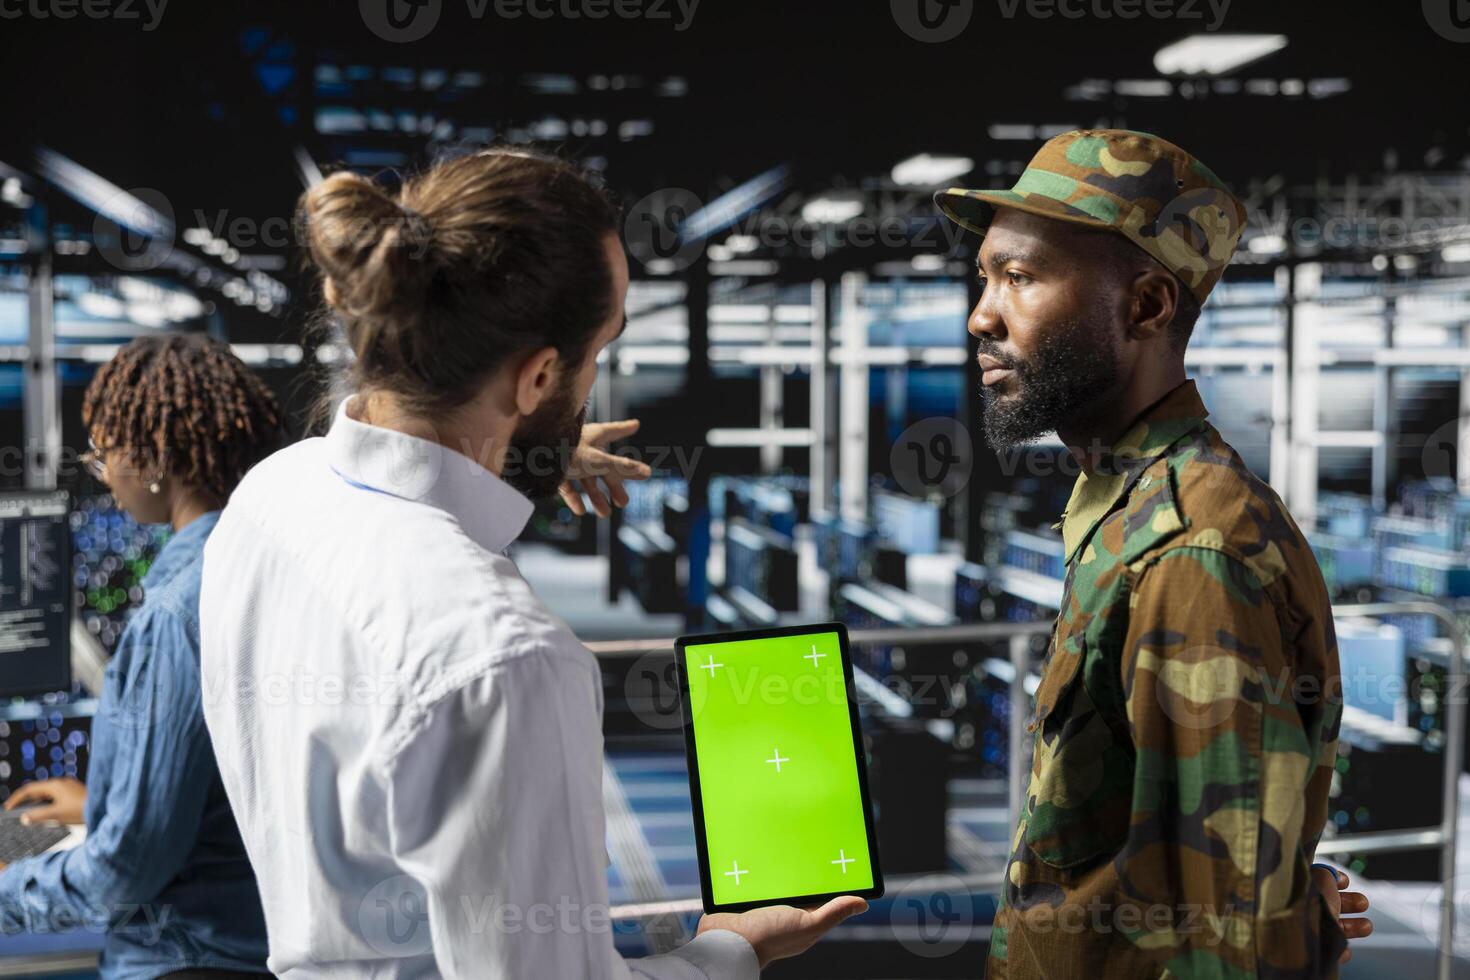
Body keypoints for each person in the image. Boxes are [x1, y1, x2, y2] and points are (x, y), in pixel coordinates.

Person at [198, 148, 867, 979]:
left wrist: (521, 445)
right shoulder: (509, 661)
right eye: (595, 355)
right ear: (539, 374)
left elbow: (404, 514)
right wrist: (730, 948)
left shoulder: (269, 497)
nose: (592, 382)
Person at [934, 129, 1373, 978]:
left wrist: (1279, 922)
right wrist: (1290, 906)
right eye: (985, 276)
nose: (980, 315)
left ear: (1146, 307)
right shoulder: (1123, 510)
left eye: (1019, 278)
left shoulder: (1190, 551)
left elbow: (1225, 946)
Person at [0, 334, 279, 979]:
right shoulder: (263, 569)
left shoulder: (175, 617)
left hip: (185, 957)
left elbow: (125, 871)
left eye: (106, 449)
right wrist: (103, 803)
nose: (102, 469)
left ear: (153, 459)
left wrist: (12, 887)